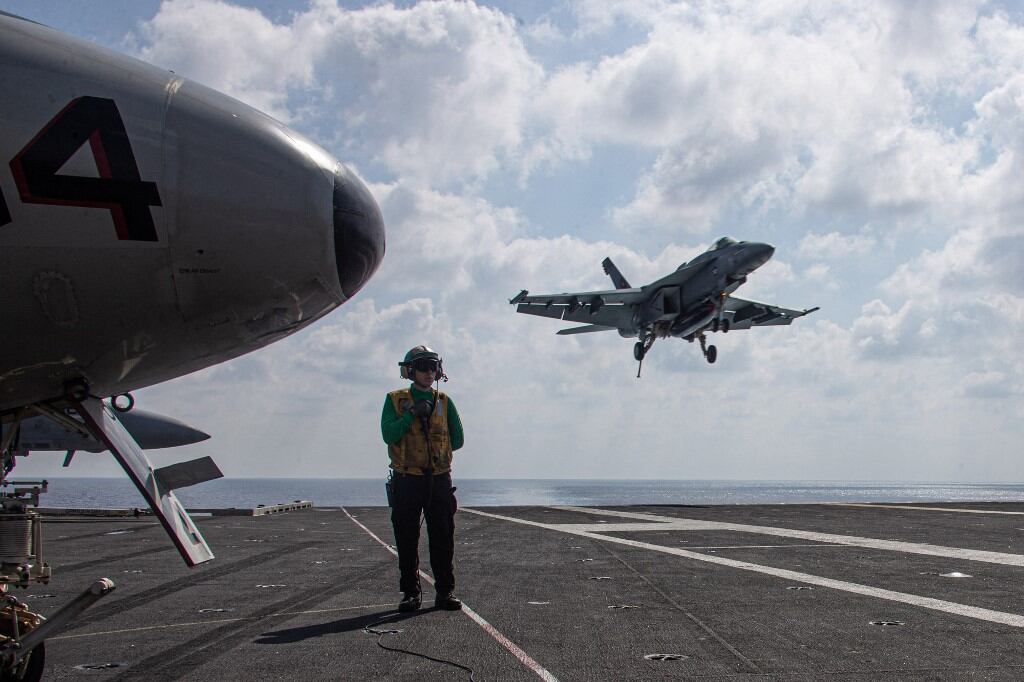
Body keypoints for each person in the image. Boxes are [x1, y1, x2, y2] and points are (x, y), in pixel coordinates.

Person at [381, 345, 464, 612]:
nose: (429, 372)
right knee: (406, 538)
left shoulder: (444, 402)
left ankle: (445, 591)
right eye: (423, 367)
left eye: (433, 367)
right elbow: (388, 434)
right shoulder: (395, 400)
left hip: (439, 479)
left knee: (443, 537)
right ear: (410, 371)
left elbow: (458, 439)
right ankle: (410, 593)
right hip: (407, 479)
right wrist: (411, 415)